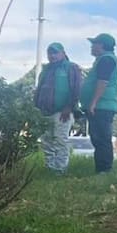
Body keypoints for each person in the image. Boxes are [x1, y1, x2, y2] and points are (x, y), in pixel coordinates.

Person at [33, 42, 82, 174]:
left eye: (55, 52)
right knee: (47, 141)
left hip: (62, 112)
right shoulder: (46, 69)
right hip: (44, 112)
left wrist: (69, 107)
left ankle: (60, 168)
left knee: (60, 140)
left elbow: (76, 89)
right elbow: (39, 89)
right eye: (50, 53)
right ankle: (50, 167)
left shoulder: (71, 67)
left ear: (63, 53)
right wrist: (35, 108)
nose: (52, 56)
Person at [81, 33, 117, 174]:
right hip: (100, 105)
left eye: (94, 44)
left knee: (102, 138)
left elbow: (103, 82)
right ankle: (101, 169)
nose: (92, 47)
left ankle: (104, 170)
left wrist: (93, 103)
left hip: (102, 106)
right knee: (98, 139)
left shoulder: (107, 59)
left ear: (101, 45)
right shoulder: (102, 60)